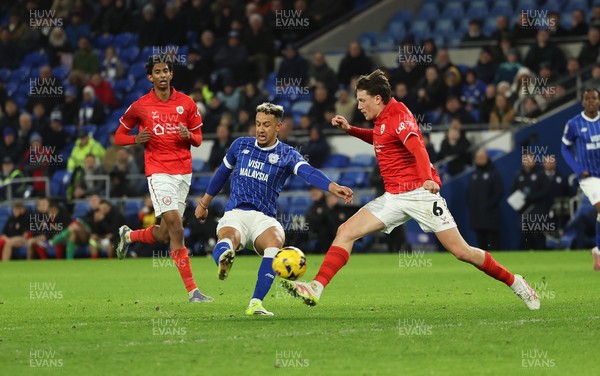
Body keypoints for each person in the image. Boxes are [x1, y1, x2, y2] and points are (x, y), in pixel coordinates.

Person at [281, 69, 540, 310]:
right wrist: (351, 130)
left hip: (419, 194)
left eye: (362, 100)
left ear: (378, 98)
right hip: (393, 196)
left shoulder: (399, 116)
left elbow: (418, 147)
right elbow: (380, 136)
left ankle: (516, 282)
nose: (358, 106)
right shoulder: (383, 119)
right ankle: (316, 287)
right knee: (346, 231)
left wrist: (428, 178)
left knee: (463, 252)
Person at [194, 102, 353, 316]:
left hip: (264, 218)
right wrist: (204, 203)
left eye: (266, 125)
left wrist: (332, 186)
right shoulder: (240, 145)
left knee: (276, 240)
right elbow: (222, 174)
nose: (260, 129)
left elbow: (308, 172)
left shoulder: (287, 154)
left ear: (278, 126)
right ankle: (225, 259)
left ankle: (256, 304)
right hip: (236, 212)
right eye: (258, 124)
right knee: (229, 237)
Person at [114, 55, 212, 303]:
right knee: (177, 227)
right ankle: (193, 291)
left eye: (166, 71)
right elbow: (118, 136)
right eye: (157, 72)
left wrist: (187, 134)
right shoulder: (140, 106)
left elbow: (199, 139)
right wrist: (135, 139)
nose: (162, 75)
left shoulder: (187, 103)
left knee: (166, 234)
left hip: (183, 173)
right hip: (158, 172)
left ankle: (129, 236)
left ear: (171, 75)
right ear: (150, 77)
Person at [561, 88, 600, 270]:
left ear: (599, 101)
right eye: (587, 99)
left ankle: (597, 251)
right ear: (583, 102)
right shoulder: (574, 123)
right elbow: (565, 148)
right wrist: (578, 169)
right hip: (589, 177)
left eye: (594, 98)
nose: (591, 101)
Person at [467, 149, 504, 250]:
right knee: (481, 240)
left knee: (493, 239)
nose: (480, 160)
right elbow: (469, 193)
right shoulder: (473, 174)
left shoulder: (494, 173)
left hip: (490, 213)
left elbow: (498, 192)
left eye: (482, 157)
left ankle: (496, 261)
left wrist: (488, 205)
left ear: (487, 158)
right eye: (478, 158)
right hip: (477, 214)